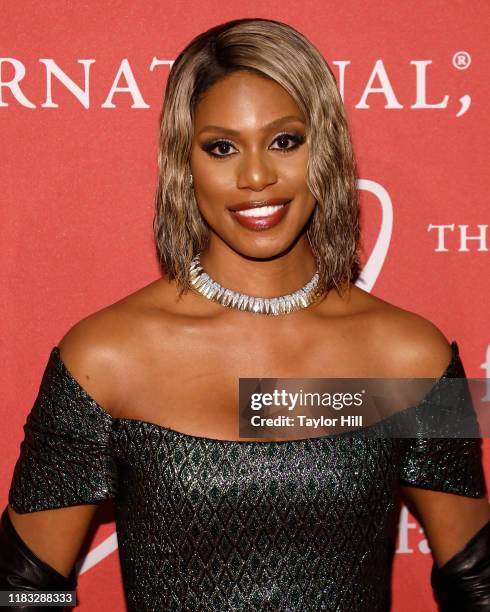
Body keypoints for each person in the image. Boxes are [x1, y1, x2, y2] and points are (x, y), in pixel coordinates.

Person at [1, 17, 489, 612]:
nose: (256, 176)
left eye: (285, 141)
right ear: (185, 163)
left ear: (326, 149)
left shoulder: (411, 355)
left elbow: (477, 584)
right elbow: (25, 593)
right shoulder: (105, 358)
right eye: (222, 147)